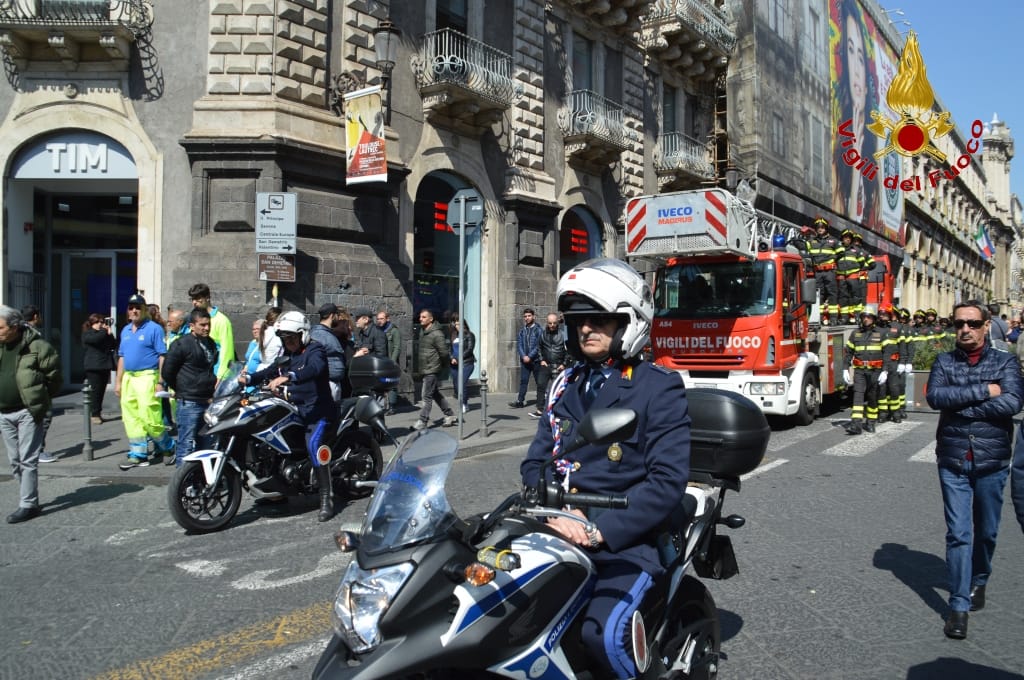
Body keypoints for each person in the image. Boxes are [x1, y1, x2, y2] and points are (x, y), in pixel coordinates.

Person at [520, 258, 690, 679]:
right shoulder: (565, 384)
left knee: (604, 633)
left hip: (624, 540)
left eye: (600, 320)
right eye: (580, 321)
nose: (586, 329)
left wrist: (598, 529)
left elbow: (667, 482)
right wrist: (556, 512)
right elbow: (534, 463)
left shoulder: (657, 386)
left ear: (629, 324)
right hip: (558, 528)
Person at [926, 300, 1024, 640]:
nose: (964, 329)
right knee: (958, 533)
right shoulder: (943, 361)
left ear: (986, 325)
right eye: (958, 324)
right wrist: (984, 391)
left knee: (987, 532)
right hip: (952, 461)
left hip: (992, 461)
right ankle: (958, 606)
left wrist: (961, 403)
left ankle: (979, 579)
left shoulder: (1006, 361)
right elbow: (936, 398)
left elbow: (1012, 402)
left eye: (971, 323)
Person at [239, 311, 339, 522]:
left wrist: (290, 376)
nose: (289, 342)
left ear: (302, 335)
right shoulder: (287, 354)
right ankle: (275, 489)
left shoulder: (315, 349)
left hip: (318, 412)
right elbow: (270, 371)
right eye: (285, 339)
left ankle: (326, 498)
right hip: (294, 409)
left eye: (292, 338)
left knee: (313, 445)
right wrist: (249, 378)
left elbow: (315, 369)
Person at [0, 306, 61, 523]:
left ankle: (28, 503)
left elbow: (54, 376)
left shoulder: (37, 346)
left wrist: (40, 398)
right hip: (3, 412)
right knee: (14, 460)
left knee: (27, 459)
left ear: (14, 327)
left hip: (27, 410)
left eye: (1, 327)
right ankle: (28, 496)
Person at [831, 0, 882, 231]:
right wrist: (854, 153)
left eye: (861, 56)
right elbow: (844, 219)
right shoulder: (837, 148)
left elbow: (872, 221)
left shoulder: (875, 150)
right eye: (849, 51)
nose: (856, 68)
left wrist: (862, 152)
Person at [116, 294, 175, 466]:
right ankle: (138, 452)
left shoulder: (153, 328)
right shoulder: (125, 330)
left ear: (144, 310)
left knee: (150, 417)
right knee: (131, 417)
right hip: (129, 378)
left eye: (138, 307)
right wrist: (118, 382)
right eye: (131, 307)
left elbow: (162, 355)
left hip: (147, 376)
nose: (134, 310)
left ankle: (168, 446)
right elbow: (122, 358)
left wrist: (160, 381)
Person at [161, 308, 218, 467]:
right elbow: (167, 371)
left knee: (206, 444)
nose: (206, 328)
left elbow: (211, 366)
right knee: (186, 444)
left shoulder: (211, 343)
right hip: (189, 402)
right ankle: (182, 484)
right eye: (202, 325)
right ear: (192, 326)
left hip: (207, 401)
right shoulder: (181, 344)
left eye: (208, 324)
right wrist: (181, 389)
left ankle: (201, 481)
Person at [842, 305, 893, 435]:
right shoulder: (855, 334)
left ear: (873, 318)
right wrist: (845, 369)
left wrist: (885, 371)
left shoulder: (881, 333)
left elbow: (887, 353)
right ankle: (856, 424)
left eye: (869, 317)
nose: (866, 319)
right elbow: (848, 352)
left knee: (872, 397)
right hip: (859, 370)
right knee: (858, 395)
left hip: (875, 370)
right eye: (864, 316)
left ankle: (870, 422)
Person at [20, 304, 56, 463]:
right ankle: (37, 450)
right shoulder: (30, 334)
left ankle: (29, 450)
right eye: (39, 315)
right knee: (44, 415)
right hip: (33, 382)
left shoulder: (16, 331)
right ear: (35, 316)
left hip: (25, 382)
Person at [413, 309, 456, 431]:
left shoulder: (437, 334)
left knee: (426, 395)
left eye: (424, 317)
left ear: (431, 319)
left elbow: (443, 352)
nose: (420, 319)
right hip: (425, 368)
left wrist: (442, 365)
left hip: (432, 368)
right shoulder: (423, 331)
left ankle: (423, 420)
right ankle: (450, 414)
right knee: (434, 393)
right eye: (420, 317)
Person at [188, 283, 234, 380]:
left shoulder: (222, 321)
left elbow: (227, 351)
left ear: (207, 298)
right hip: (195, 376)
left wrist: (221, 377)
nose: (194, 302)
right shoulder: (192, 319)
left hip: (214, 375)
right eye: (192, 299)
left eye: (198, 298)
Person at [530, 312, 568, 418]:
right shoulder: (543, 334)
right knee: (541, 386)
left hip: (558, 365)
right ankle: (539, 410)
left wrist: (564, 364)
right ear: (547, 323)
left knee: (558, 389)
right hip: (546, 365)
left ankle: (558, 410)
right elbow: (539, 347)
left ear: (557, 323)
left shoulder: (563, 334)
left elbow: (569, 351)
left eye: (554, 323)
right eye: (550, 323)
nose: (552, 325)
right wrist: (541, 359)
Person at [81, 313, 117, 425]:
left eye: (101, 322)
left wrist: (110, 334)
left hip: (104, 365)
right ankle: (94, 414)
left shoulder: (104, 334)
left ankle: (98, 413)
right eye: (98, 322)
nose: (100, 324)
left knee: (101, 391)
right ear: (92, 323)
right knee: (95, 391)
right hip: (94, 366)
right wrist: (104, 331)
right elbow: (96, 340)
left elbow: (113, 345)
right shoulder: (88, 334)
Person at [806, 218, 841, 325]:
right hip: (818, 272)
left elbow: (841, 252)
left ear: (826, 228)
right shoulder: (812, 241)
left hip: (829, 271)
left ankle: (833, 318)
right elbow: (804, 249)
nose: (820, 229)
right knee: (818, 294)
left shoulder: (834, 241)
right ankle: (819, 317)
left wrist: (832, 258)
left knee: (832, 293)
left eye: (822, 227)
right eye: (818, 227)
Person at [875, 305, 906, 423]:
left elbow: (903, 346)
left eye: (885, 314)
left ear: (889, 315)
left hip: (894, 362)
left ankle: (896, 412)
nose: (882, 316)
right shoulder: (875, 329)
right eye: (880, 314)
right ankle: (883, 413)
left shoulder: (897, 327)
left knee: (894, 388)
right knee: (881, 389)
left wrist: (903, 362)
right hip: (879, 363)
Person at [310, 303, 346, 402]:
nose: (338, 318)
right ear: (332, 315)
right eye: (337, 315)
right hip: (327, 383)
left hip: (332, 382)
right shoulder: (319, 334)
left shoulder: (327, 333)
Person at [510, 308, 542, 408]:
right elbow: (519, 345)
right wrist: (523, 356)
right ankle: (520, 401)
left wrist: (530, 356)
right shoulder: (522, 331)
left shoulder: (538, 330)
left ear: (533, 316)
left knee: (539, 382)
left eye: (529, 316)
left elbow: (538, 346)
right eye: (525, 316)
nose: (527, 318)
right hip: (525, 361)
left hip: (536, 360)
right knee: (523, 381)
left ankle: (541, 401)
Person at [376, 309, 402, 414]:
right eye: (378, 319)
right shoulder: (377, 330)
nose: (379, 321)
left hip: (391, 361)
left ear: (387, 319)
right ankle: (381, 405)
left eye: (382, 318)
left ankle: (392, 406)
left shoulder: (394, 330)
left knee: (391, 384)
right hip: (380, 361)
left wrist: (392, 361)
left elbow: (397, 347)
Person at [449, 314, 475, 414]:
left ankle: (463, 404)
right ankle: (465, 402)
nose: (457, 326)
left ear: (464, 324)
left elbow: (469, 349)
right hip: (454, 364)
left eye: (459, 324)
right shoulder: (453, 335)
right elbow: (449, 349)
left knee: (462, 383)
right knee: (456, 386)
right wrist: (452, 358)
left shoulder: (469, 335)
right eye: (456, 324)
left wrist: (458, 358)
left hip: (466, 363)